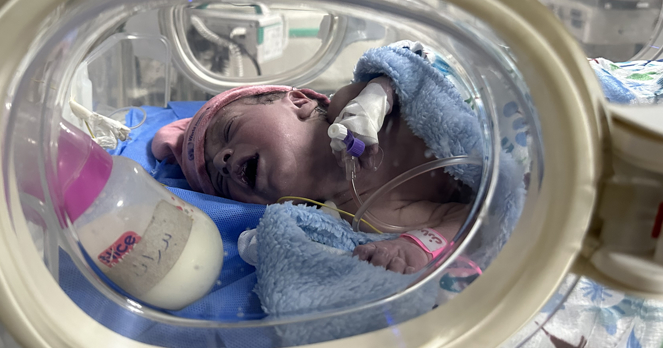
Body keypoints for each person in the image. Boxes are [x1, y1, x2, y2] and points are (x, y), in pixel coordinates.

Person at [152, 76, 472, 275]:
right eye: (220, 181)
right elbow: (468, 217)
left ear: (299, 102)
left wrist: (377, 97)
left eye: (230, 129)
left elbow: (414, 71)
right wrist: (415, 247)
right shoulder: (366, 215)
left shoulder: (349, 101)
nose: (222, 161)